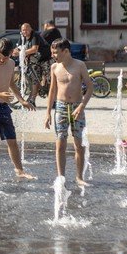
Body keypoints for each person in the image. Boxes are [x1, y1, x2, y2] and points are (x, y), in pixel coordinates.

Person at [0, 38, 37, 183]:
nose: (2, 60)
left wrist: (22, 100)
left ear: (11, 54)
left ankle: (20, 170)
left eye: (6, 57)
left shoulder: (11, 63)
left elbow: (11, 83)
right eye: (0, 56)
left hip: (3, 105)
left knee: (12, 140)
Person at [44, 38, 93, 186]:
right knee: (60, 144)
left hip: (77, 107)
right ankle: (61, 177)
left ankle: (79, 177)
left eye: (55, 52)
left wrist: (82, 106)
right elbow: (52, 90)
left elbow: (90, 87)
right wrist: (47, 112)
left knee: (79, 144)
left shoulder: (80, 65)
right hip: (61, 107)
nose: (53, 55)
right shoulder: (54, 67)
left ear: (66, 51)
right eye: (52, 52)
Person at [13, 22, 49, 101]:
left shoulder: (35, 36)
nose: (25, 31)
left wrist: (21, 53)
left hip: (44, 57)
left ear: (31, 29)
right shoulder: (22, 36)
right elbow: (18, 47)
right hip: (34, 58)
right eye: (23, 30)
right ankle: (33, 98)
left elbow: (34, 49)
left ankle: (35, 98)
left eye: (26, 30)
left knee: (42, 78)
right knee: (34, 78)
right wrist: (14, 51)